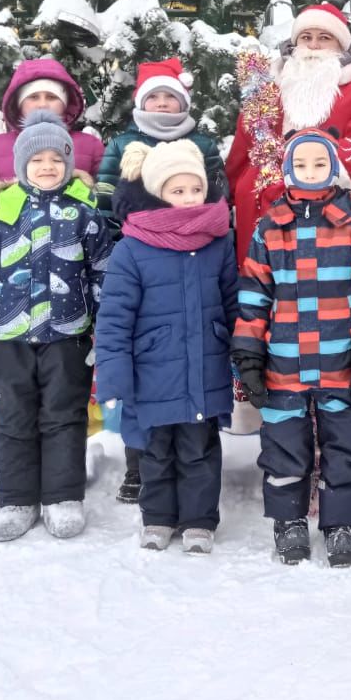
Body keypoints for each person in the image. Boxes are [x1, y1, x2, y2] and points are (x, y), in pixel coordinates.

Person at [0, 111, 112, 542]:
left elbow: (103, 275)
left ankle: (62, 497)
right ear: (21, 164)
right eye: (36, 158)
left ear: (67, 162)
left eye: (56, 159)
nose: (46, 166)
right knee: (13, 420)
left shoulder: (84, 213)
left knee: (65, 418)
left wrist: (106, 334)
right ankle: (16, 500)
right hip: (9, 339)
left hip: (67, 338)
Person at [232, 128, 351, 567]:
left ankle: (340, 524)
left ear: (334, 168)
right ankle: (289, 521)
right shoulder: (270, 227)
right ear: (286, 170)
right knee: (283, 445)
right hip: (283, 364)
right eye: (300, 164)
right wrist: (248, 356)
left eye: (320, 163)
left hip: (340, 362)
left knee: (346, 445)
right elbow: (253, 298)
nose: (310, 172)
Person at [95, 139, 238, 555]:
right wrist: (115, 374)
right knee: (155, 451)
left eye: (195, 189)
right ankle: (157, 518)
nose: (189, 199)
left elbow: (232, 302)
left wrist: (242, 351)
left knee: (200, 449)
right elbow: (115, 319)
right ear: (159, 193)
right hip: (152, 371)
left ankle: (198, 521)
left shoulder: (217, 241)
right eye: (178, 191)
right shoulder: (133, 248)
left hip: (203, 367)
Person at [95, 56, 227, 505]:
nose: (164, 103)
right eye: (156, 95)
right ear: (142, 101)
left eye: (172, 96)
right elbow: (106, 198)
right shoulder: (123, 143)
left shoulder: (203, 144)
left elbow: (216, 190)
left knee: (193, 417)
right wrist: (131, 241)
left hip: (195, 246)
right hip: (142, 248)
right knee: (147, 399)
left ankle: (196, 509)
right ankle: (141, 475)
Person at [225, 2, 351, 268]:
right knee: (263, 294)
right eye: (306, 37)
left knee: (329, 294)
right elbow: (242, 153)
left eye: (324, 38)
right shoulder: (267, 91)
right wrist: (231, 197)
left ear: (342, 46)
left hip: (333, 209)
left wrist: (306, 180)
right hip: (264, 208)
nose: (313, 46)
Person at [0, 57, 105, 235]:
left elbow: (108, 197)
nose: (42, 103)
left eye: (52, 97)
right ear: (19, 103)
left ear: (65, 103)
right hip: (12, 251)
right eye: (33, 97)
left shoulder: (89, 145)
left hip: (73, 250)